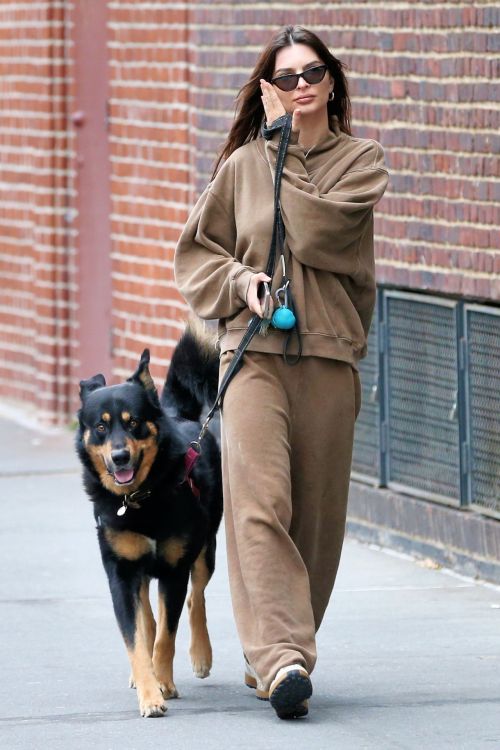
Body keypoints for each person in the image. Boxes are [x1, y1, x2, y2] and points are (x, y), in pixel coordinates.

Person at [174, 24, 389, 720]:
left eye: (311, 74)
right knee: (261, 507)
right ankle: (284, 658)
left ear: (332, 82)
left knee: (317, 524)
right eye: (286, 77)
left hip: (328, 358)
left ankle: (280, 646)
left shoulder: (362, 163)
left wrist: (280, 147)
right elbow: (197, 254)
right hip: (255, 357)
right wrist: (240, 283)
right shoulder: (242, 164)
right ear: (269, 87)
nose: (300, 87)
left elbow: (317, 228)